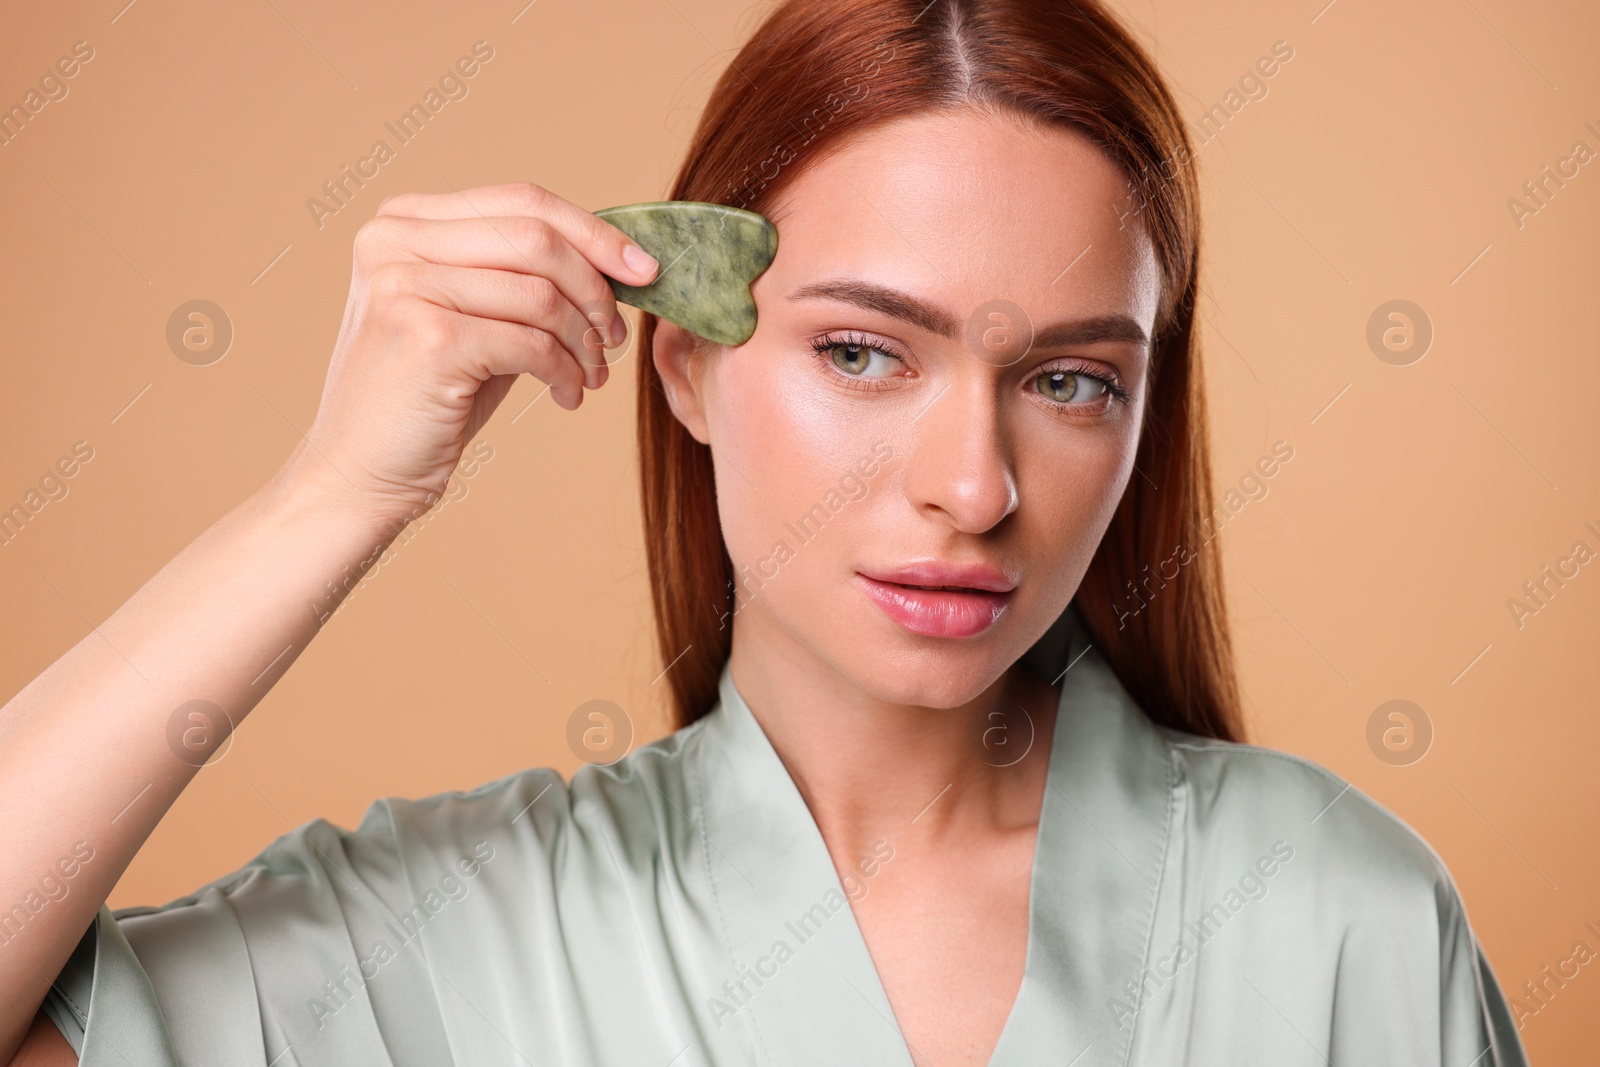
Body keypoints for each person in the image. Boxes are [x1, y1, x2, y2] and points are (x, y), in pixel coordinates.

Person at [1, 0, 1528, 1064]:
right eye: (865, 353)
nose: (973, 488)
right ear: (690, 366)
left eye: (1069, 380)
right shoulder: (445, 934)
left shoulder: (1346, 921)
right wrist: (333, 492)